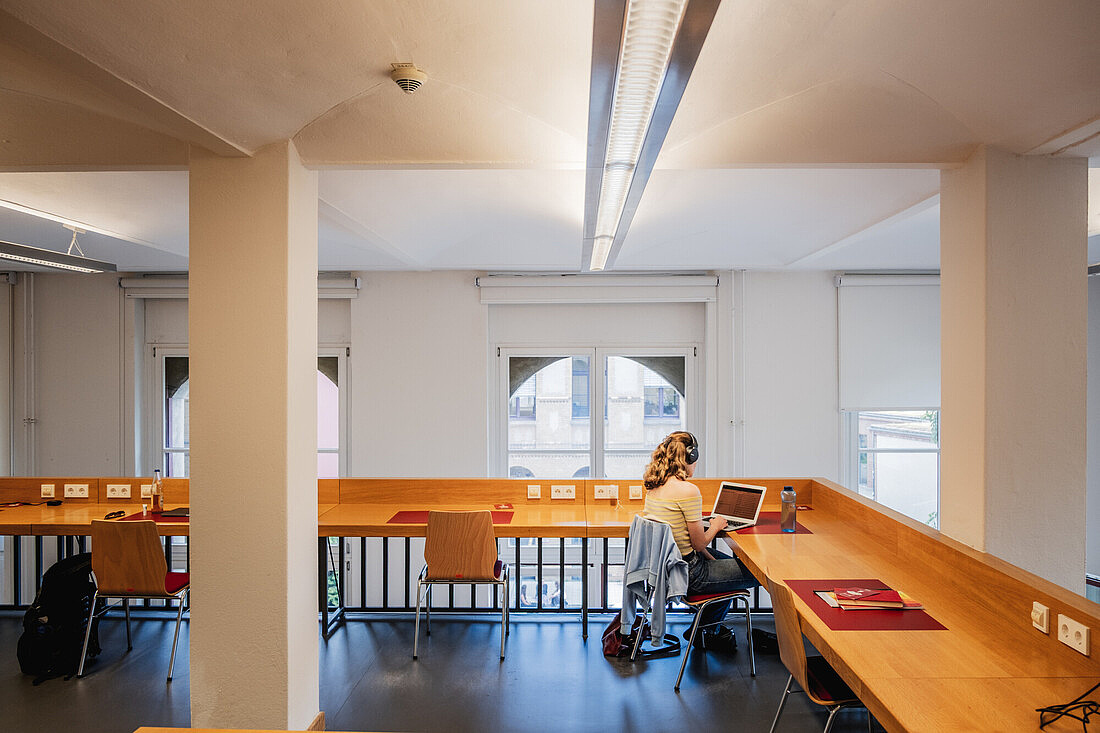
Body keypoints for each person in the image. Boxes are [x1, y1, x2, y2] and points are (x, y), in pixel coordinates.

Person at [642, 430, 759, 652]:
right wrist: (715, 525)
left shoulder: (655, 485)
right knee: (760, 572)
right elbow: (698, 544)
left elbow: (687, 542)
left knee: (726, 562)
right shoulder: (688, 490)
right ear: (690, 457)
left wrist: (709, 553)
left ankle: (705, 629)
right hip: (691, 574)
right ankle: (703, 630)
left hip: (668, 569)